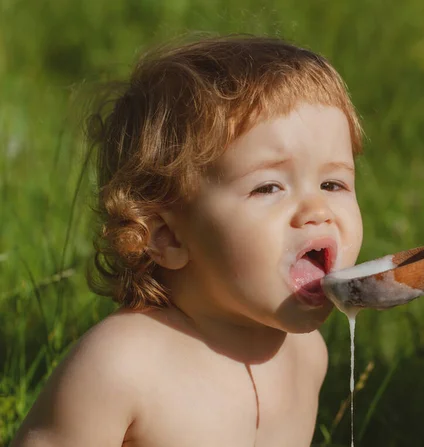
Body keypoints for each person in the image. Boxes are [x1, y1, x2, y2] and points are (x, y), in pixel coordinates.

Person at [12, 34, 364, 447]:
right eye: (269, 187)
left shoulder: (306, 357)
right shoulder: (122, 368)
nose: (317, 210)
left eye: (332, 182)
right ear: (168, 236)